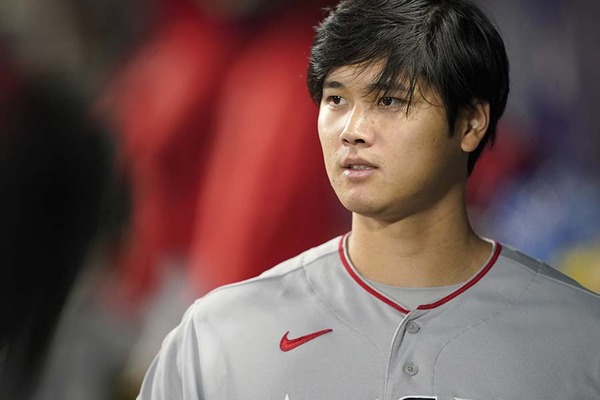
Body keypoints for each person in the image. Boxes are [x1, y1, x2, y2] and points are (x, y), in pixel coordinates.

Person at [137, 0, 600, 399]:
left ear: (472, 123)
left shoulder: (581, 335)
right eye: (336, 100)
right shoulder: (218, 331)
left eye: (389, 101)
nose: (352, 130)